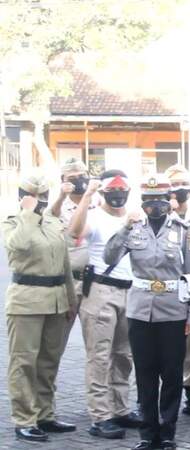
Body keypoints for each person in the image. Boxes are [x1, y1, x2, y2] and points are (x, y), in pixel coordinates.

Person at [103, 175, 190, 450]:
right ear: (142, 200)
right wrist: (124, 227)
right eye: (148, 198)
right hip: (140, 311)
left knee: (171, 374)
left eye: (159, 198)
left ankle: (167, 431)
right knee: (145, 373)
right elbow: (110, 257)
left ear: (169, 199)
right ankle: (148, 433)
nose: (154, 204)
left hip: (173, 310)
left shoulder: (183, 229)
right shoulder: (133, 228)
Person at [3, 170, 77, 442]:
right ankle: (24, 418)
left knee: (48, 362)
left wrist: (71, 299)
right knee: (23, 363)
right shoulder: (13, 222)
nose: (38, 201)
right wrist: (27, 214)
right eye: (32, 196)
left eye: (42, 196)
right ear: (23, 198)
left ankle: (45, 415)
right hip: (26, 301)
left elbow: (65, 265)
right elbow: (19, 246)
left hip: (56, 300)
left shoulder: (52, 222)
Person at [69, 169, 141, 439]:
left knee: (124, 355)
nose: (118, 196)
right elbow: (74, 232)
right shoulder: (95, 215)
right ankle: (100, 416)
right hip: (101, 290)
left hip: (130, 292)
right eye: (112, 191)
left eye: (122, 191)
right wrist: (87, 196)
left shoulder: (137, 217)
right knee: (99, 356)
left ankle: (120, 409)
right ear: (103, 192)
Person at [49, 157, 100, 351]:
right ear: (63, 180)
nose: (79, 181)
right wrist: (61, 196)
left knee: (97, 345)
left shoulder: (101, 202)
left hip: (96, 282)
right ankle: (48, 381)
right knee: (56, 342)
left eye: (82, 176)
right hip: (68, 282)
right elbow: (50, 218)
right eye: (72, 178)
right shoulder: (57, 208)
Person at [164, 164, 190, 415]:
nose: (180, 189)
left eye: (184, 184)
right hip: (164, 293)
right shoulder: (157, 215)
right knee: (164, 350)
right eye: (174, 184)